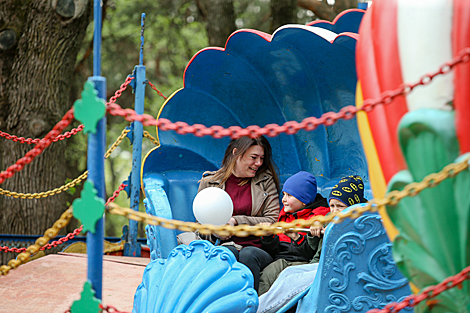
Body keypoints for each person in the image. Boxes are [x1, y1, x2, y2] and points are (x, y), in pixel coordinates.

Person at [256, 175, 367, 313]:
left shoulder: (361, 223)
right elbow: (316, 250)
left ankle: (261, 310)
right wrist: (313, 235)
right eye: (332, 206)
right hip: (317, 265)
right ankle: (258, 306)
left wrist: (333, 235)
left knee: (291, 282)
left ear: (352, 207)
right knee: (287, 273)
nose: (334, 211)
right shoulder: (328, 219)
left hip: (337, 269)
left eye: (340, 206)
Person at [197, 135, 280, 292]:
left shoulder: (265, 181)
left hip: (258, 248)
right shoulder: (210, 182)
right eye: (254, 157)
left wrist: (236, 221)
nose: (259, 163)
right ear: (236, 153)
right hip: (224, 245)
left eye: (262, 158)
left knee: (248, 254)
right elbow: (199, 225)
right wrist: (215, 233)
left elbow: (272, 219)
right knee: (227, 253)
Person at [258, 171, 330, 295]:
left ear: (304, 200)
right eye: (284, 194)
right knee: (265, 277)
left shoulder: (319, 217)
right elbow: (274, 250)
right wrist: (268, 236)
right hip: (281, 259)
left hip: (301, 262)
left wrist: (296, 237)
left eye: (289, 196)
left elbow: (311, 254)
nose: (284, 200)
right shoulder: (285, 214)